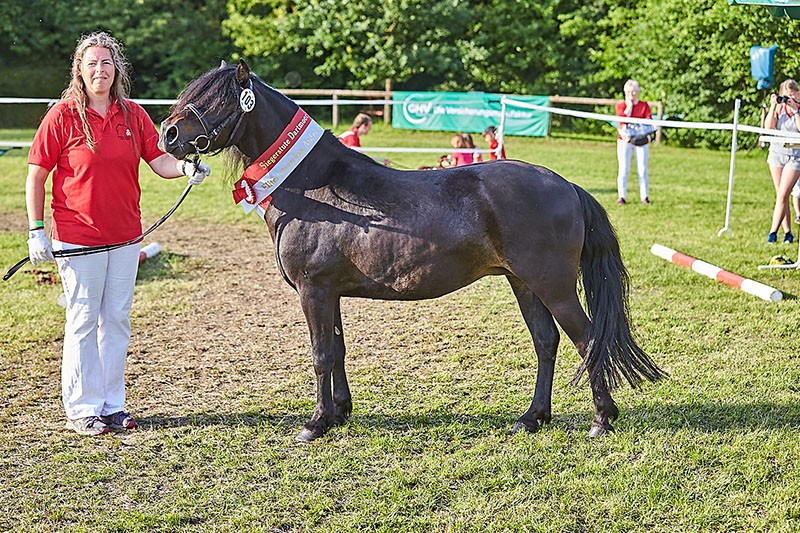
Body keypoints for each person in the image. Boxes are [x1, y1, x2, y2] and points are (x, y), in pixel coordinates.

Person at [25, 32, 210, 436]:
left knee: (117, 320)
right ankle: (82, 408)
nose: (99, 70)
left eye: (106, 63)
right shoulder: (62, 116)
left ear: (117, 69)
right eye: (91, 63)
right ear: (79, 69)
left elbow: (159, 160)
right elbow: (36, 174)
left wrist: (186, 169)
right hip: (77, 238)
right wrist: (36, 230)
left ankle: (112, 405)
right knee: (83, 321)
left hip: (126, 237)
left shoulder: (133, 115)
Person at [765, 79, 800, 244]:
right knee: (781, 196)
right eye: (785, 96)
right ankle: (788, 233)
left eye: (791, 96)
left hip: (795, 156)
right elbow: (768, 127)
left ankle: (772, 232)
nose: (788, 99)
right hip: (776, 154)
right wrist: (773, 106)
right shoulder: (779, 108)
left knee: (783, 194)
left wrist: (796, 110)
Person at [615, 79, 652, 206]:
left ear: (637, 92)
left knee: (642, 169)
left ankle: (644, 197)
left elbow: (648, 121)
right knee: (624, 169)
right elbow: (622, 121)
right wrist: (629, 107)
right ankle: (622, 197)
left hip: (641, 141)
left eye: (633, 91)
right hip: (624, 141)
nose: (631, 94)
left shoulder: (644, 105)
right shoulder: (621, 105)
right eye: (628, 92)